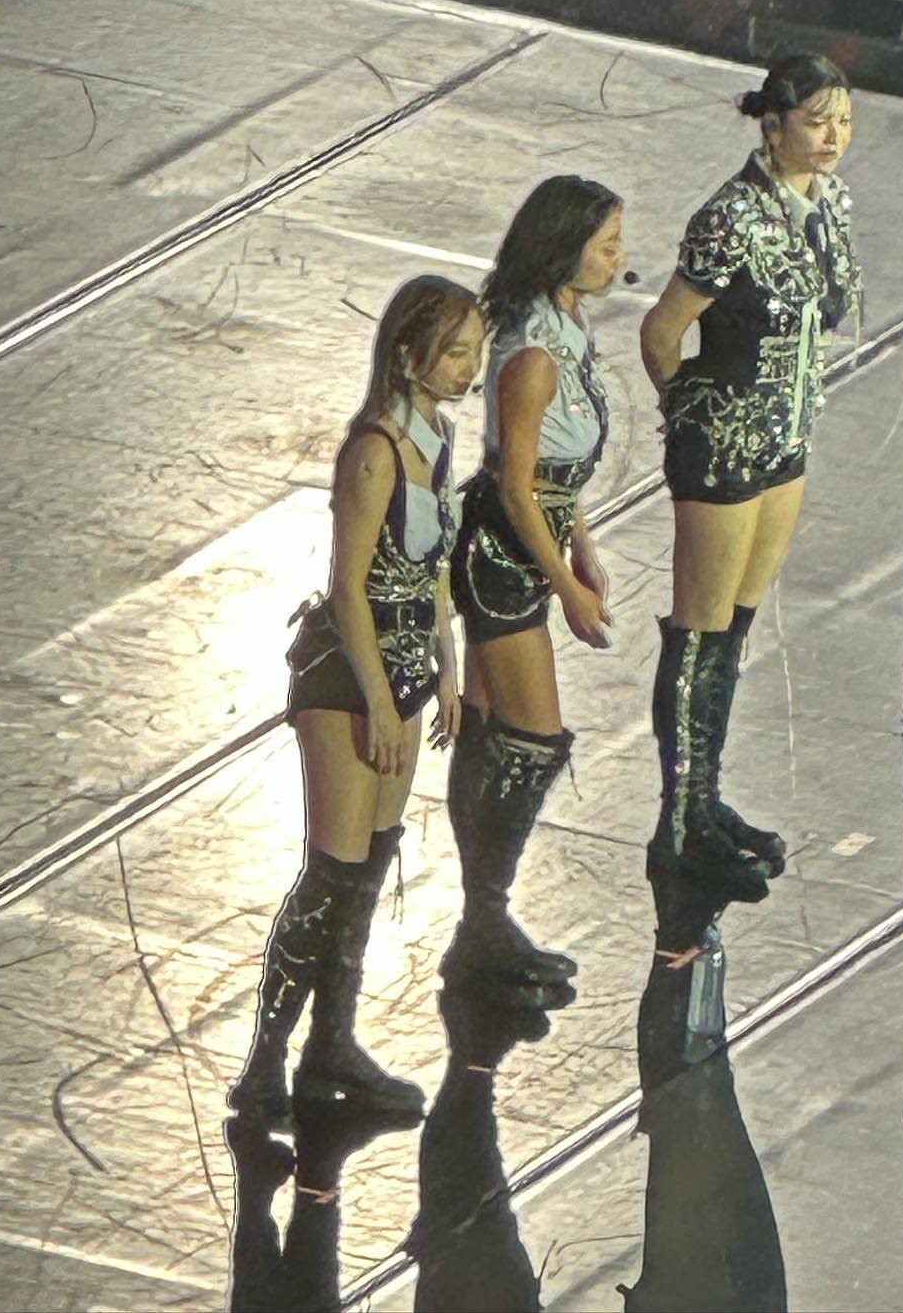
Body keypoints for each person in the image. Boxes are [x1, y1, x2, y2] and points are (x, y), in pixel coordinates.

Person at [228, 276, 484, 1127]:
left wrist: (446, 670)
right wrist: (378, 701)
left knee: (370, 866)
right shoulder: (374, 454)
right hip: (348, 677)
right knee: (332, 872)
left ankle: (330, 1047)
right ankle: (265, 1064)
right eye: (454, 352)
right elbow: (348, 590)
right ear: (408, 355)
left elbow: (435, 570)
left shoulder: (437, 440)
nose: (468, 368)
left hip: (403, 673)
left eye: (474, 352)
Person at [640, 54, 861, 902]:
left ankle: (705, 800)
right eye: (816, 121)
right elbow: (662, 332)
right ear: (773, 125)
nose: (833, 137)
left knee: (733, 627)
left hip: (787, 436)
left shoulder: (829, 205)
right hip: (726, 443)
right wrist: (689, 412)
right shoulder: (730, 217)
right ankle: (679, 824)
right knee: (698, 630)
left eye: (843, 121)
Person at [443, 176, 623, 992]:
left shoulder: (566, 328)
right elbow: (517, 487)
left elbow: (558, 476)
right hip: (503, 556)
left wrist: (582, 547)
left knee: (490, 730)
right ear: (562, 251)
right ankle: (484, 919)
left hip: (531, 545)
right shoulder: (535, 357)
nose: (619, 259)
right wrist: (568, 586)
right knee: (532, 740)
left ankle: (481, 922)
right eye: (606, 245)